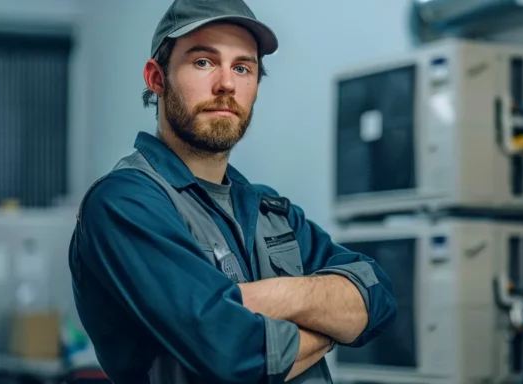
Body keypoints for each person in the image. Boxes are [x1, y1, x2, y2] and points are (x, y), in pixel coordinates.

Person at [67, 0, 398, 383]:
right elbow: (235, 356)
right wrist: (332, 324)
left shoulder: (269, 210)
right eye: (203, 62)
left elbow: (378, 297)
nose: (226, 84)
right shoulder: (124, 204)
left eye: (243, 67)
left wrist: (269, 296)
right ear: (157, 78)